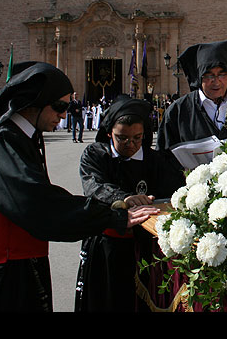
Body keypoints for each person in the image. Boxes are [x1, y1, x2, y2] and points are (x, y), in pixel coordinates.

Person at [0, 62, 160, 312]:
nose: (64, 115)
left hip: (20, 266)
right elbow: (39, 204)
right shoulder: (1, 140)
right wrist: (113, 216)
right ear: (35, 102)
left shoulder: (17, 136)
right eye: (60, 106)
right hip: (1, 275)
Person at [75, 95, 185, 312]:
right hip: (107, 246)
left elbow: (175, 190)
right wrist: (123, 198)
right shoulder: (96, 154)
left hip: (144, 248)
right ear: (109, 133)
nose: (131, 145)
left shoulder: (156, 160)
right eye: (122, 138)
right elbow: (94, 185)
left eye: (137, 138)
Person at [156, 40, 227, 162]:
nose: (216, 81)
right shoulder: (177, 112)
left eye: (222, 74)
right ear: (199, 77)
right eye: (209, 75)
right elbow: (162, 159)